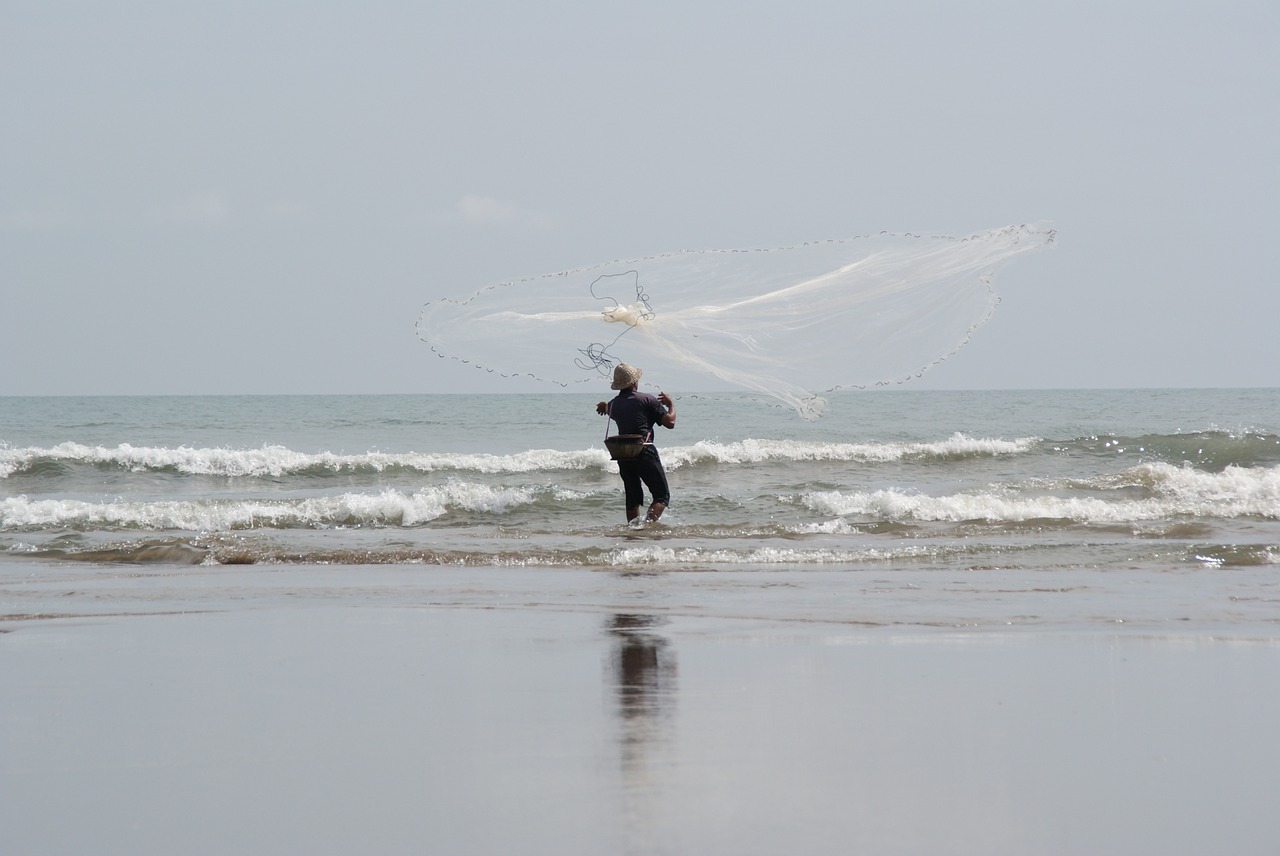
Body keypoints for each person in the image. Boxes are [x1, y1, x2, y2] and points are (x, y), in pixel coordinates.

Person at [596, 363, 676, 524]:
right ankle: (647, 526)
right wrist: (670, 405)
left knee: (632, 498)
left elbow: (608, 408)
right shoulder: (647, 399)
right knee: (661, 496)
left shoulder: (613, 404)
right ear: (634, 383)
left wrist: (604, 406)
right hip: (644, 451)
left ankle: (633, 531)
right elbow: (670, 423)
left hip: (623, 454)